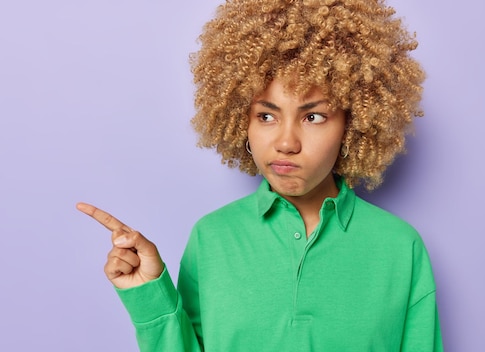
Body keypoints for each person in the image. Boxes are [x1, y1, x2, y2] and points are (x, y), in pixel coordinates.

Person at [77, 0, 443, 350]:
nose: (285, 142)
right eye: (266, 116)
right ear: (240, 121)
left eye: (313, 116)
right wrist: (149, 296)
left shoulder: (399, 248)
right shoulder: (212, 238)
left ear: (354, 125)